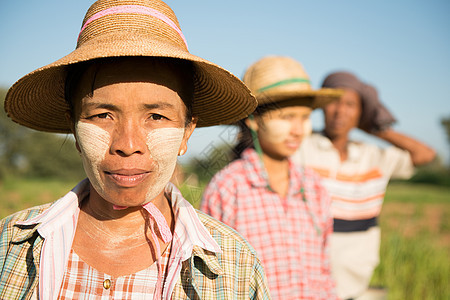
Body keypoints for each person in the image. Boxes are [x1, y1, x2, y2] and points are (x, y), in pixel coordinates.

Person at [0, 1, 271, 299]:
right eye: (102, 115)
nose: (128, 145)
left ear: (186, 132)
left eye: (156, 116)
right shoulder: (10, 245)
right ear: (75, 128)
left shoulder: (235, 266)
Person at [201, 56, 343, 299]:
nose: (298, 130)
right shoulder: (228, 188)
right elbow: (210, 278)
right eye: (286, 117)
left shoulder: (313, 188)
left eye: (305, 117)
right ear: (254, 120)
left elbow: (324, 268)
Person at [292, 71, 436, 299]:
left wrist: (375, 129)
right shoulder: (302, 149)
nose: (340, 111)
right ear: (321, 108)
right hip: (305, 285)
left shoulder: (373, 157)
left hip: (356, 287)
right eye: (333, 103)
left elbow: (426, 155)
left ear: (361, 113)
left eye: (350, 104)